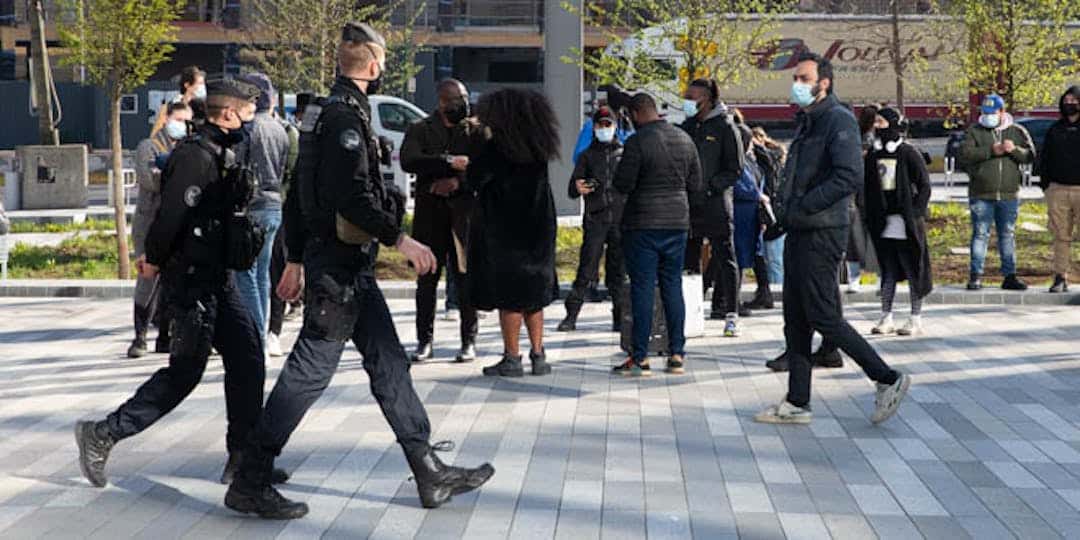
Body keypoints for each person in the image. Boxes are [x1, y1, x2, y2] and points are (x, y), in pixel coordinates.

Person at [224, 23, 493, 519]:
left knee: (389, 364)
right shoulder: (345, 117)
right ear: (372, 65)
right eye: (383, 62)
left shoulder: (323, 113)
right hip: (339, 271)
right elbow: (350, 197)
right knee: (308, 373)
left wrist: (296, 257)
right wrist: (401, 239)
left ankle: (427, 469)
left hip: (345, 267)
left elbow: (300, 191)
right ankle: (250, 477)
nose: (384, 68)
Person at [75, 79, 291, 488]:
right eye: (248, 113)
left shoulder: (222, 153)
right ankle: (103, 433)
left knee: (248, 359)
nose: (252, 121)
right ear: (228, 114)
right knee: (185, 372)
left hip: (218, 279)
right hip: (192, 282)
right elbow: (171, 216)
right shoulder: (195, 156)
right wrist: (154, 260)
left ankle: (244, 461)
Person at [755, 52, 910, 426]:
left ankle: (886, 377)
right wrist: (784, 215)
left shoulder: (837, 120)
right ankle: (797, 401)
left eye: (804, 78)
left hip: (822, 232)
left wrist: (802, 207)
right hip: (800, 229)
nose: (797, 84)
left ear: (823, 83)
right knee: (795, 319)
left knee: (824, 315)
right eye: (796, 78)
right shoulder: (809, 121)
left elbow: (847, 176)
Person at [467, 88, 560, 378]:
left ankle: (512, 356)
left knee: (510, 297)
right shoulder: (538, 147)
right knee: (534, 295)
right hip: (538, 228)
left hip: (505, 231)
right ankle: (538, 354)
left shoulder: (496, 149)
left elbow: (474, 179)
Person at [612, 92, 703, 377]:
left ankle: (640, 357)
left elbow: (623, 183)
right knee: (672, 285)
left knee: (643, 288)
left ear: (635, 114)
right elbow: (696, 184)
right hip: (677, 222)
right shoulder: (684, 139)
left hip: (643, 223)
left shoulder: (637, 142)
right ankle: (677, 354)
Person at [400, 78, 480, 364]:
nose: (464, 105)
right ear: (443, 102)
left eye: (465, 98)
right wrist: (446, 162)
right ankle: (424, 341)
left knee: (465, 279)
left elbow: (485, 168)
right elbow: (409, 160)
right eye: (458, 100)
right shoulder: (420, 129)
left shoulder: (474, 131)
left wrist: (458, 183)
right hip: (430, 217)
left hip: (463, 216)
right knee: (427, 280)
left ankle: (468, 341)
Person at [127, 101, 193, 359]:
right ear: (167, 119)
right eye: (178, 120)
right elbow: (150, 180)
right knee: (147, 277)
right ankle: (140, 336)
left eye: (186, 121)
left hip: (175, 222)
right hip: (150, 222)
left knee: (172, 280)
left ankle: (165, 336)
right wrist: (178, 174)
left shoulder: (188, 147)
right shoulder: (149, 146)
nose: (182, 126)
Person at [680, 78, 744, 337]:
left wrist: (710, 187)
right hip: (689, 205)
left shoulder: (725, 127)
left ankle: (731, 314)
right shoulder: (687, 126)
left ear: (705, 98)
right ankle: (690, 314)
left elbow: (735, 169)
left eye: (690, 96)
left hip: (716, 203)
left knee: (725, 257)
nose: (686, 100)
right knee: (689, 260)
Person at [233, 72, 290, 354]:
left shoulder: (248, 130)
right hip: (273, 203)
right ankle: (264, 332)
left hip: (252, 205)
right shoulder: (281, 129)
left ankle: (255, 337)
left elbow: (237, 166)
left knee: (246, 274)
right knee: (263, 274)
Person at [862, 107, 933, 337]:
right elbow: (867, 187)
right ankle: (886, 317)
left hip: (906, 222)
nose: (877, 127)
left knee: (913, 269)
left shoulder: (908, 153)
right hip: (883, 222)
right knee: (888, 270)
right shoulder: (873, 155)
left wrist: (915, 213)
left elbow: (924, 186)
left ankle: (915, 318)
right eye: (876, 122)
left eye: (881, 122)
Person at [558, 105, 626, 333]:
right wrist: (580, 187)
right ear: (594, 127)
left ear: (614, 126)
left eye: (608, 124)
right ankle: (571, 315)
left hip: (619, 219)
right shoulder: (587, 156)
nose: (604, 128)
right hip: (596, 218)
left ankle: (619, 316)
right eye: (600, 125)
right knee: (586, 268)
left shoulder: (624, 154)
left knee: (618, 271)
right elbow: (572, 188)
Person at [959, 93, 1035, 291]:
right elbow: (965, 155)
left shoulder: (1017, 130)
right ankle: (975, 275)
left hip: (1008, 195)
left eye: (992, 112)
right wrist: (990, 151)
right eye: (985, 112)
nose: (988, 116)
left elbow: (1030, 155)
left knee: (1007, 234)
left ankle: (1009, 275)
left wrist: (1014, 150)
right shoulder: (974, 131)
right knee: (980, 234)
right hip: (981, 195)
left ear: (1002, 112)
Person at [267, 92, 308, 357]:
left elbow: (293, 177)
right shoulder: (244, 130)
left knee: (276, 271)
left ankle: (273, 330)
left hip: (278, 210)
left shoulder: (287, 133)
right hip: (255, 212)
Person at [1038, 86, 1080, 293]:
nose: (1069, 103)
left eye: (1074, 100)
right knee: (1060, 236)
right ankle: (1060, 277)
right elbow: (1044, 158)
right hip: (1058, 190)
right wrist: (1046, 185)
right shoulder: (1055, 129)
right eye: (1067, 100)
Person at [733, 124, 772, 314]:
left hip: (752, 215)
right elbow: (741, 187)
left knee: (752, 255)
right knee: (737, 257)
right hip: (741, 215)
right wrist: (758, 195)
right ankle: (732, 301)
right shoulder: (738, 160)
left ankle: (762, 293)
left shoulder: (750, 160)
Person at [752, 126, 787, 288]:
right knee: (772, 259)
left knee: (773, 259)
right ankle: (774, 288)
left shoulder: (769, 160)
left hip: (772, 216)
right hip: (773, 215)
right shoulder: (776, 159)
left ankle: (775, 289)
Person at [152, 66, 206, 134]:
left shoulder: (204, 107)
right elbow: (157, 132)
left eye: (203, 83)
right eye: (200, 83)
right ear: (187, 85)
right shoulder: (169, 106)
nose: (203, 87)